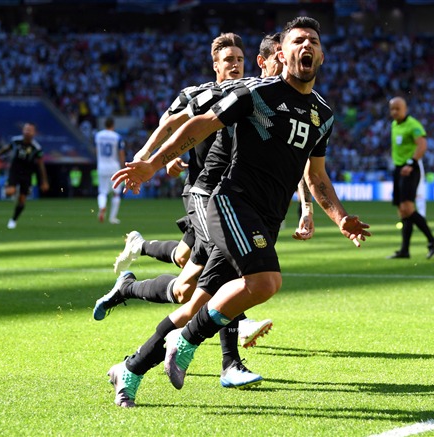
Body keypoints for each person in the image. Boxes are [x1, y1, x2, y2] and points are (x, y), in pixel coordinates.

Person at [111, 16, 370, 397]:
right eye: (297, 40)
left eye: (313, 40)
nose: (306, 46)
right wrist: (152, 162)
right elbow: (199, 124)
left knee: (194, 301)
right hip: (232, 203)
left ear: (322, 55)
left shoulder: (322, 116)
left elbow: (316, 177)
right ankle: (189, 345)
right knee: (266, 281)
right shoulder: (256, 94)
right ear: (281, 54)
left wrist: (341, 217)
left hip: (267, 218)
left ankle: (129, 370)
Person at [97, 33, 285, 407]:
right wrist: (149, 158)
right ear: (215, 64)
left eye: (240, 58)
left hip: (238, 203)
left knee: (188, 292)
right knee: (228, 271)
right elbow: (176, 123)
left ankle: (131, 315)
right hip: (205, 196)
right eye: (227, 58)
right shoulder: (202, 94)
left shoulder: (260, 97)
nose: (234, 64)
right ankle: (230, 360)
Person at [386, 97, 434, 259]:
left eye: (398, 108)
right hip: (398, 169)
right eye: (392, 109)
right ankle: (404, 250)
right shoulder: (394, 125)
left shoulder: (413, 125)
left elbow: (422, 145)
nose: (395, 111)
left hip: (410, 169)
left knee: (408, 208)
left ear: (405, 109)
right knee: (402, 211)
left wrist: (411, 162)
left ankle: (432, 240)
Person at [0, 123, 49, 229]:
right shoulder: (16, 141)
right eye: (26, 129)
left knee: (22, 200)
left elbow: (41, 165)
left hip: (27, 174)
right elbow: (5, 149)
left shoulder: (36, 148)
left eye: (30, 130)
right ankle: (13, 190)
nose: (27, 131)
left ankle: (13, 220)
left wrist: (44, 181)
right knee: (9, 192)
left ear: (34, 133)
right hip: (15, 171)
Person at [94, 117, 125, 224]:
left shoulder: (98, 136)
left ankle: (102, 207)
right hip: (114, 167)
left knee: (102, 192)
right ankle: (112, 218)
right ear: (113, 125)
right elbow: (121, 153)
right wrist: (123, 167)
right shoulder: (117, 137)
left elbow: (96, 150)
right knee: (116, 194)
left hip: (102, 166)